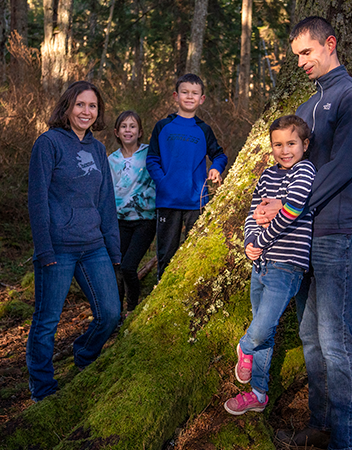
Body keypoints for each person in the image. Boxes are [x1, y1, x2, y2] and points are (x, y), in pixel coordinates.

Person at [255, 17, 352, 450]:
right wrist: (269, 209)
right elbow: (288, 171)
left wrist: (289, 207)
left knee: (334, 337)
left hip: (338, 234)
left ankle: (347, 439)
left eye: (307, 52)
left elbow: (344, 168)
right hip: (300, 236)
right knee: (310, 336)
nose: (302, 62)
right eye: (297, 57)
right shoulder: (307, 109)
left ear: (330, 44)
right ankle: (320, 424)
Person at [27, 81, 121, 402]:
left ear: (98, 113)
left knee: (110, 313)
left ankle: (83, 354)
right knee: (46, 321)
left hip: (93, 246)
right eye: (80, 105)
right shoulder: (49, 143)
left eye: (92, 106)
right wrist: (44, 249)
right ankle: (42, 388)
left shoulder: (96, 149)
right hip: (58, 248)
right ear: (67, 107)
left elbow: (106, 201)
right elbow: (37, 201)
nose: (86, 111)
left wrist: (113, 248)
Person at [224, 115, 316, 416]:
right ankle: (258, 394)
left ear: (305, 144)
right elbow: (253, 213)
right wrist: (251, 241)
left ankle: (244, 347)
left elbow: (292, 210)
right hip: (260, 264)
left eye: (291, 143)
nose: (285, 150)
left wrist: (262, 239)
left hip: (287, 265)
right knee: (265, 329)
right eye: (278, 144)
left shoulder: (305, 171)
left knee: (262, 327)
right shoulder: (266, 177)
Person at [146, 73, 228, 280]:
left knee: (195, 253)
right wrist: (163, 182)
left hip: (196, 202)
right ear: (176, 96)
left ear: (202, 99)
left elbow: (219, 155)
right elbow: (152, 159)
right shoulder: (163, 126)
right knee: (166, 254)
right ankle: (161, 293)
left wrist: (216, 168)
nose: (189, 97)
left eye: (194, 93)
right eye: (185, 92)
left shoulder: (203, 130)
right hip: (168, 200)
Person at [108, 111, 156, 318]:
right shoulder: (111, 160)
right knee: (116, 268)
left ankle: (132, 309)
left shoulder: (150, 153)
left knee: (128, 266)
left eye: (132, 126)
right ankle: (115, 314)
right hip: (120, 221)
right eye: (124, 126)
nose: (128, 130)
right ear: (117, 132)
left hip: (145, 221)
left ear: (140, 132)